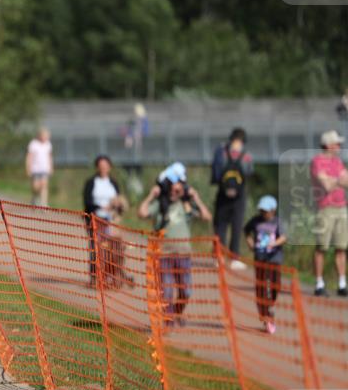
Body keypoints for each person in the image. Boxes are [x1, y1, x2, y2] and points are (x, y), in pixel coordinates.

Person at [138, 174, 212, 326]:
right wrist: (151, 195)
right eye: (170, 189)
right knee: (167, 291)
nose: (173, 192)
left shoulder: (186, 206)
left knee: (186, 292)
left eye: (177, 189)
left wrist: (196, 197)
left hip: (183, 255)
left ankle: (177, 312)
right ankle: (169, 320)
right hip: (164, 254)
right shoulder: (159, 204)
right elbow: (142, 213)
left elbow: (207, 217)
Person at [310, 130, 348, 296]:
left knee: (341, 247)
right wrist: (337, 180)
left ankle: (341, 283)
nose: (339, 146)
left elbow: (345, 181)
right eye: (336, 143)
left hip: (341, 207)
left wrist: (334, 180)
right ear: (328, 145)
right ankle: (319, 283)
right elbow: (326, 186)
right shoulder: (317, 161)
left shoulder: (338, 162)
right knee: (322, 247)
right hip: (325, 208)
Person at [83, 155, 129, 288]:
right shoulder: (91, 182)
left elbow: (120, 201)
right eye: (101, 166)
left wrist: (118, 206)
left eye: (106, 165)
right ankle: (94, 277)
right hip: (95, 219)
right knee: (97, 249)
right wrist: (102, 207)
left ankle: (112, 276)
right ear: (97, 167)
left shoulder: (113, 183)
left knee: (113, 250)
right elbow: (87, 202)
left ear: (109, 167)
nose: (103, 168)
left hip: (111, 221)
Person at [210, 128, 254, 269]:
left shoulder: (221, 152)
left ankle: (218, 256)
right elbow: (249, 172)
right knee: (237, 226)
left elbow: (216, 174)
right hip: (239, 197)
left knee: (220, 226)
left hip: (223, 194)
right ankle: (234, 257)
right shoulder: (247, 155)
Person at [243, 195, 286, 334]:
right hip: (260, 258)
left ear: (273, 210)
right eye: (261, 210)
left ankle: (270, 304)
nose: (263, 213)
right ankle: (265, 313)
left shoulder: (278, 222)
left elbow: (284, 237)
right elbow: (246, 231)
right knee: (260, 286)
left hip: (274, 258)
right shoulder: (255, 221)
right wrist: (250, 243)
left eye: (266, 211)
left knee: (275, 285)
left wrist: (274, 243)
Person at [25, 127, 52, 207]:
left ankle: (44, 203)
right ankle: (35, 198)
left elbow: (49, 156)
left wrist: (51, 167)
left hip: (44, 169)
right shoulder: (33, 144)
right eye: (45, 135)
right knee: (36, 186)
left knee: (44, 185)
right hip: (35, 169)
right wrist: (28, 168)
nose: (46, 137)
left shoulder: (48, 144)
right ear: (40, 135)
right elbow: (29, 156)